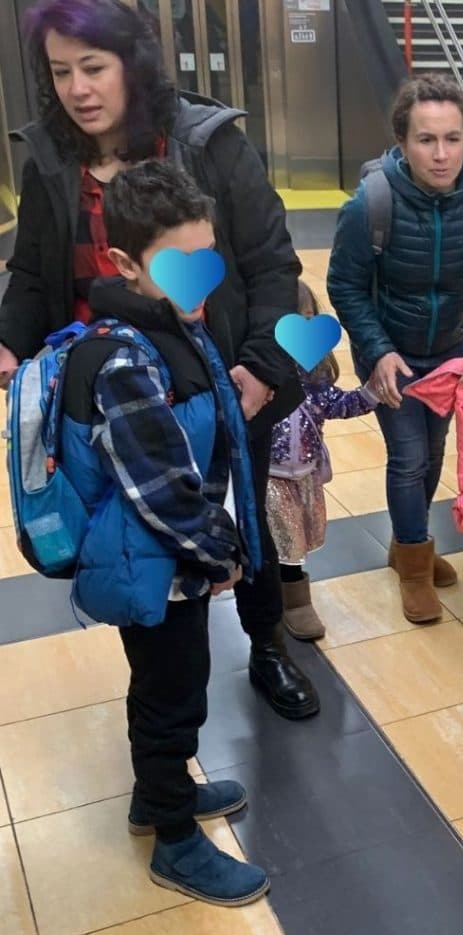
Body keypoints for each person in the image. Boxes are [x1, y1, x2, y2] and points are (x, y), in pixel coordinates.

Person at [0, 0, 320, 720]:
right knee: (141, 535)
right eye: (60, 73)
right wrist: (10, 338)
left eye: (93, 68)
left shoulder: (207, 144)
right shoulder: (51, 160)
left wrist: (262, 369)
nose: (78, 89)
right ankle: (167, 706)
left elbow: (272, 264)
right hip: (113, 395)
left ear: (131, 66)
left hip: (220, 381)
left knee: (243, 522)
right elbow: (29, 272)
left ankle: (266, 644)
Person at [60, 160, 268, 905]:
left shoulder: (173, 324)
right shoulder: (125, 357)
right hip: (161, 562)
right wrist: (222, 554)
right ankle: (176, 843)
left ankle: (159, 794)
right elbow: (163, 491)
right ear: (123, 264)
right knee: (173, 692)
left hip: (172, 558)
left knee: (166, 685)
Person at [327, 72, 463, 625]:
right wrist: (378, 350)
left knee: (433, 455)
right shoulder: (372, 203)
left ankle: (407, 544)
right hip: (391, 355)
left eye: (453, 139)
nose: (441, 154)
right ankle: (413, 564)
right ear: (403, 143)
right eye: (426, 140)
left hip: (451, 353)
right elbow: (345, 285)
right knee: (409, 458)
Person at [268, 281, 379, 640]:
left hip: (307, 474)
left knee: (296, 536)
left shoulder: (316, 380)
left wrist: (372, 392)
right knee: (281, 535)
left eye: (309, 320)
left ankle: (288, 594)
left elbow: (340, 405)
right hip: (270, 475)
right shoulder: (262, 377)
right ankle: (290, 599)